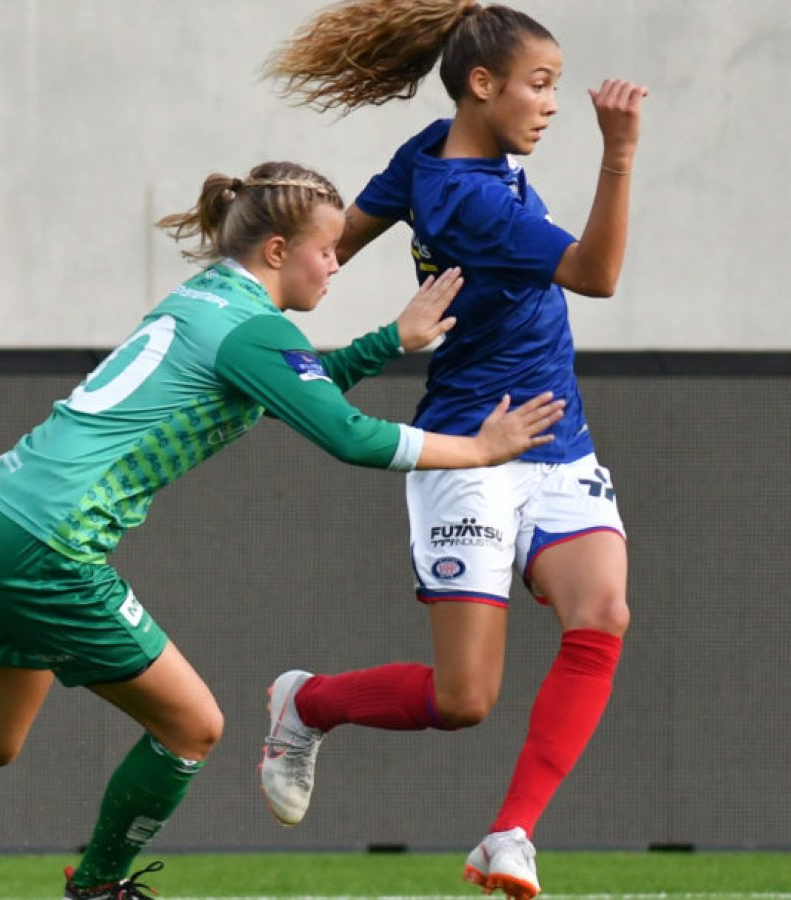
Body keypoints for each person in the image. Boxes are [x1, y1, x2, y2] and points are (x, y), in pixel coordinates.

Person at [0, 160, 566, 899]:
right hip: (51, 538)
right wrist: (479, 449)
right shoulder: (255, 330)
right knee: (194, 726)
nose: (338, 263)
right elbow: (347, 435)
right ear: (277, 252)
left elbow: (298, 382)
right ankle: (98, 885)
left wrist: (387, 341)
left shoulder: (213, 302)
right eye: (327, 249)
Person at [258, 4, 647, 899]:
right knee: (463, 700)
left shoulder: (433, 150)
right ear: (484, 85)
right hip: (472, 448)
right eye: (539, 85)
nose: (551, 105)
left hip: (555, 436)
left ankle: (510, 835)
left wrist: (267, 279)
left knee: (604, 614)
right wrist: (619, 151)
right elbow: (597, 275)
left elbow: (336, 247)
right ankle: (306, 703)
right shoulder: (468, 201)